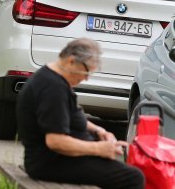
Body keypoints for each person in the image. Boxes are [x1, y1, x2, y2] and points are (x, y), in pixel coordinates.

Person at [16, 38, 145, 189]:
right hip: (50, 163)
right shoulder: (53, 89)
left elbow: (69, 114)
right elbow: (55, 141)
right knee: (134, 177)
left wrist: (98, 130)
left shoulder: (52, 77)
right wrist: (98, 149)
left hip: (57, 159)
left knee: (121, 168)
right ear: (71, 61)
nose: (86, 78)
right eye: (86, 71)